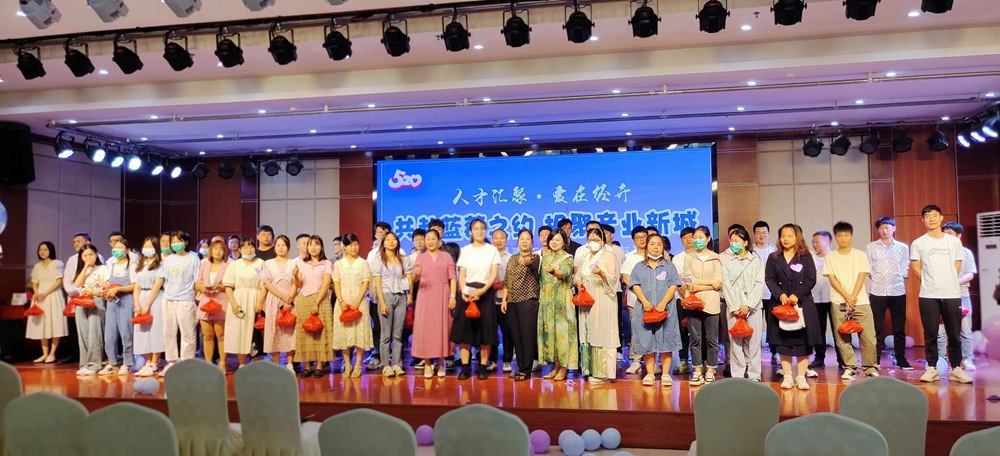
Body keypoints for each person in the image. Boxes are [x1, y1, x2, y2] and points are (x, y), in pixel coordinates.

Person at [911, 205, 972, 384]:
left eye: (935, 215)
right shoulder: (918, 243)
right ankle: (932, 368)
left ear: (941, 218)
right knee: (931, 333)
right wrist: (930, 281)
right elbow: (915, 267)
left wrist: (948, 280)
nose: (931, 219)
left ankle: (956, 368)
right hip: (928, 294)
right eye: (927, 216)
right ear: (922, 220)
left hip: (952, 293)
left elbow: (957, 264)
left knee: (954, 333)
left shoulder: (953, 242)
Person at [764, 224, 819, 390]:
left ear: (797, 237)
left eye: (790, 236)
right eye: (783, 236)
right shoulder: (774, 257)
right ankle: (787, 376)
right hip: (781, 304)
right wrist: (780, 294)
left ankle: (801, 377)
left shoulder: (805, 256)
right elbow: (769, 279)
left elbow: (811, 279)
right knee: (783, 342)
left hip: (802, 303)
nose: (786, 239)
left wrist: (797, 295)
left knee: (803, 343)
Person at [824, 222, 878, 380]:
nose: (843, 238)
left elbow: (862, 276)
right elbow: (832, 279)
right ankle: (849, 367)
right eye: (839, 235)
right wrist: (847, 297)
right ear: (835, 237)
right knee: (842, 337)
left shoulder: (860, 255)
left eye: (846, 235)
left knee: (868, 336)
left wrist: (852, 296)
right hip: (838, 301)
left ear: (851, 236)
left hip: (860, 301)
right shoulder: (830, 257)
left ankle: (870, 367)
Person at [628, 234, 682, 387]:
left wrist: (663, 303)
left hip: (666, 309)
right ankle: (650, 374)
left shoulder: (669, 266)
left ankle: (665, 374)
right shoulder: (639, 266)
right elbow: (635, 285)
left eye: (659, 244)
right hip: (645, 309)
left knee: (666, 341)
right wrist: (645, 302)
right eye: (652, 244)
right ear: (647, 246)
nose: (656, 247)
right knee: (647, 342)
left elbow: (673, 285)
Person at [450, 219, 501, 380]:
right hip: (466, 293)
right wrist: (464, 292)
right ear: (470, 232)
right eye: (476, 228)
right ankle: (465, 368)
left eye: (482, 228)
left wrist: (482, 291)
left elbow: (493, 274)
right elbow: (462, 274)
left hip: (485, 293)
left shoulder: (492, 250)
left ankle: (483, 367)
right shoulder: (465, 250)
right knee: (464, 332)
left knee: (486, 332)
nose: (480, 231)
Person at [575, 227, 621, 385]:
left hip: (603, 299)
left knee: (603, 332)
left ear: (602, 240)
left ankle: (604, 374)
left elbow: (614, 279)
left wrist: (601, 273)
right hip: (587, 299)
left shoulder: (609, 256)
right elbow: (577, 276)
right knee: (588, 332)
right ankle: (590, 370)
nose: (593, 243)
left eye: (596, 240)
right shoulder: (585, 256)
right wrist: (579, 283)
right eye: (590, 240)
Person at [866, 217, 912, 369]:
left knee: (899, 328)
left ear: (894, 228)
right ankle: (875, 359)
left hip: (897, 291)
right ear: (877, 230)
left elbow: (905, 265)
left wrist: (900, 275)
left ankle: (901, 359)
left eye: (887, 227)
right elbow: (868, 267)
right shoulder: (871, 247)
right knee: (876, 328)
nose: (884, 230)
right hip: (877, 291)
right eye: (881, 228)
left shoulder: (902, 247)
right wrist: (875, 278)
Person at [410, 229, 457, 378]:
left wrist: (453, 296)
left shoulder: (446, 256)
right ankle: (427, 363)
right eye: (427, 239)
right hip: (425, 296)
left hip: (443, 294)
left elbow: (453, 278)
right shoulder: (421, 258)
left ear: (439, 241)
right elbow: (413, 279)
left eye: (433, 238)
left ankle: (442, 363)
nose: (430, 241)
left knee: (442, 328)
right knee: (426, 330)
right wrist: (415, 274)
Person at [721, 226, 765, 381]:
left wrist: (748, 305)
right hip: (734, 308)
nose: (733, 244)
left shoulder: (755, 261)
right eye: (731, 241)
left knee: (754, 343)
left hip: (753, 308)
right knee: (735, 343)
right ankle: (738, 375)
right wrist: (735, 306)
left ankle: (754, 375)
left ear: (745, 242)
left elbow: (759, 284)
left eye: (737, 241)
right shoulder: (726, 261)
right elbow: (726, 285)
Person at [682, 226, 723, 386]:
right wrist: (708, 284)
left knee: (712, 339)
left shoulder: (716, 258)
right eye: (695, 238)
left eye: (701, 237)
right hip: (693, 302)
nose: (697, 240)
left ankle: (711, 370)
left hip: (711, 302)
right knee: (695, 339)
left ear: (708, 239)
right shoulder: (689, 258)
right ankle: (697, 370)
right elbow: (687, 280)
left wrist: (699, 286)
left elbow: (718, 283)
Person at [159, 231, 202, 376]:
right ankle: (171, 362)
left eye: (179, 241)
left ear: (186, 242)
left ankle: (187, 364)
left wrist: (196, 298)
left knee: (187, 333)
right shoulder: (169, 259)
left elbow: (197, 280)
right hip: (168, 299)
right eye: (174, 242)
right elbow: (164, 278)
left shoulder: (194, 258)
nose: (176, 244)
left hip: (186, 299)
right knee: (168, 332)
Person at [333, 233, 375, 378]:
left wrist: (357, 301)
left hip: (359, 301)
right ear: (344, 247)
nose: (354, 248)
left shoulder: (363, 263)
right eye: (351, 245)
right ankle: (347, 364)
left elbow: (365, 282)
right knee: (344, 335)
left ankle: (357, 365)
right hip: (343, 302)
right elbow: (336, 282)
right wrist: (341, 301)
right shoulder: (338, 264)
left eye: (356, 244)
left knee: (359, 334)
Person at [501, 229, 541, 381]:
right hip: (512, 301)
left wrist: (526, 261)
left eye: (527, 239)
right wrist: (504, 300)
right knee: (516, 336)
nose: (524, 241)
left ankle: (526, 369)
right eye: (521, 238)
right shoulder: (512, 258)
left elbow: (532, 264)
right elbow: (507, 280)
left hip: (528, 301)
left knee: (527, 336)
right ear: (517, 241)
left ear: (532, 242)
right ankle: (520, 367)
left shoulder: (535, 257)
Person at [371, 232, 412, 377]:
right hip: (386, 296)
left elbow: (408, 278)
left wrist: (410, 295)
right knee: (385, 334)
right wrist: (382, 302)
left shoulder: (403, 259)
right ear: (383, 243)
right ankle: (385, 365)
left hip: (401, 296)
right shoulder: (378, 260)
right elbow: (377, 283)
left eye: (394, 239)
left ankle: (396, 364)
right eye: (388, 239)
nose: (391, 242)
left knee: (398, 334)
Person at [538, 230, 577, 381]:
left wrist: (554, 271)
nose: (554, 242)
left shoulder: (567, 258)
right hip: (547, 301)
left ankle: (564, 368)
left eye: (558, 240)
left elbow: (564, 273)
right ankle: (556, 367)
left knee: (563, 335)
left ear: (564, 242)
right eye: (552, 239)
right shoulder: (546, 258)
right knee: (552, 336)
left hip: (562, 301)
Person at [294, 235, 334, 378]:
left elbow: (326, 285)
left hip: (320, 300)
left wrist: (316, 303)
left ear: (321, 247)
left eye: (316, 244)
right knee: (305, 333)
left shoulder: (326, 263)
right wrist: (295, 276)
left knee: (320, 333)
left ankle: (319, 366)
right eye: (310, 245)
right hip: (303, 300)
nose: (313, 247)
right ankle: (306, 366)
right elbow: (298, 285)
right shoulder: (300, 263)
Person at [223, 237, 265, 369]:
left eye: (251, 246)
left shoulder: (260, 263)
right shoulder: (234, 265)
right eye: (245, 247)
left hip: (255, 299)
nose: (249, 249)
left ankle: (256, 362)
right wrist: (233, 304)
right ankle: (242, 363)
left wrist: (260, 302)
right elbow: (228, 286)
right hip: (239, 300)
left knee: (254, 332)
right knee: (239, 331)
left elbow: (265, 285)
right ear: (240, 249)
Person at [941, 222, 977, 371]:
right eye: (944, 233)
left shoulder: (966, 253)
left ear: (959, 235)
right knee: (942, 331)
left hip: (962, 295)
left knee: (965, 330)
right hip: (942, 295)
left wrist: (954, 282)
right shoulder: (940, 253)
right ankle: (942, 360)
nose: (946, 237)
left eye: (950, 234)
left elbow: (970, 274)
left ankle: (967, 358)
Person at [98, 237, 137, 376]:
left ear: (127, 250)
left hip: (126, 301)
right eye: (115, 248)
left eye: (120, 248)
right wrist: (105, 289)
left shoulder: (132, 265)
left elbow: (135, 285)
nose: (117, 250)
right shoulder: (111, 265)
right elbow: (106, 282)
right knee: (109, 334)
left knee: (126, 333)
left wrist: (119, 289)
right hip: (112, 302)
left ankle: (127, 363)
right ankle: (112, 362)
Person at [261, 235, 298, 370]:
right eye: (278, 245)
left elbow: (295, 283)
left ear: (288, 247)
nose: (281, 248)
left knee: (290, 331)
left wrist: (289, 298)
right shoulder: (267, 263)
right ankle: (276, 364)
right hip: (273, 300)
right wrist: (282, 296)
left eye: (284, 245)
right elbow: (267, 283)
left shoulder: (294, 263)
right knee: (274, 331)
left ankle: (290, 363)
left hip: (290, 300)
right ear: (274, 247)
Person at [28, 241, 68, 363]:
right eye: (40, 249)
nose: (43, 252)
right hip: (40, 298)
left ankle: (52, 354)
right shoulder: (37, 266)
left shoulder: (58, 263)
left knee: (55, 323)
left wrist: (45, 293)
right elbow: (34, 282)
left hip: (53, 296)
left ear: (51, 250)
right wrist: (36, 292)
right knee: (42, 325)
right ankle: (44, 354)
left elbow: (59, 281)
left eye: (45, 249)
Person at [71, 244, 107, 376]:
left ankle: (94, 364)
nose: (89, 257)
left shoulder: (104, 268)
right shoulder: (83, 270)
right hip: (82, 302)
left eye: (91, 254)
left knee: (94, 334)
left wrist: (95, 291)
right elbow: (77, 284)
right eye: (85, 255)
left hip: (97, 301)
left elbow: (106, 287)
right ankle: (84, 364)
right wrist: (85, 267)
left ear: (96, 254)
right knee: (83, 334)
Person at [133, 237, 166, 377]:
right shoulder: (140, 265)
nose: (147, 249)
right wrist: (137, 304)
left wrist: (147, 304)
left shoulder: (161, 264)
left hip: (155, 299)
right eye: (145, 246)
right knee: (143, 331)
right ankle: (147, 362)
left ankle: (155, 363)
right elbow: (136, 286)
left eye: (150, 246)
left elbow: (157, 286)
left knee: (155, 330)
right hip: (141, 297)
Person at [195, 239, 229, 371]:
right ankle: (208, 364)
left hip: (221, 302)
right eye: (215, 248)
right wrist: (203, 288)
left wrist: (220, 287)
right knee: (207, 335)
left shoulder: (229, 265)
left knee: (221, 335)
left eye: (221, 249)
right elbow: (198, 282)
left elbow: (232, 284)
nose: (218, 251)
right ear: (210, 251)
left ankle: (223, 363)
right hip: (206, 301)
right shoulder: (204, 263)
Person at [365, 221, 392, 371]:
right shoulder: (372, 253)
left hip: (392, 295)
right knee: (377, 327)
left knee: (391, 327)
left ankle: (392, 356)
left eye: (383, 232)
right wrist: (370, 292)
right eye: (378, 232)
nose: (380, 235)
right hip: (375, 295)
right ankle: (377, 355)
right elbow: (369, 274)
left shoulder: (399, 251)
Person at [622, 226, 649, 375]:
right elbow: (626, 278)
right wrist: (640, 293)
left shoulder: (655, 254)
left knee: (653, 331)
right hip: (635, 300)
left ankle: (651, 362)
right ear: (633, 240)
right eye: (639, 238)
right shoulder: (629, 257)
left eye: (644, 237)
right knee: (637, 330)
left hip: (655, 300)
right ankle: (636, 361)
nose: (642, 240)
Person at [809, 231, 837, 373]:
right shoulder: (811, 258)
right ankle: (819, 357)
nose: (814, 244)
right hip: (815, 299)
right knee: (818, 330)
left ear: (828, 242)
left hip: (834, 298)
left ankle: (842, 359)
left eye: (818, 241)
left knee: (837, 330)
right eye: (813, 242)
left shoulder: (835, 257)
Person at [753, 221, 780, 365]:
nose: (761, 235)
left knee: (773, 326)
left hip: (772, 293)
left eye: (764, 232)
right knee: (755, 326)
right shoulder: (750, 251)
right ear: (754, 235)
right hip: (755, 294)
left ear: (768, 233)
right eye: (758, 233)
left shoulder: (775, 251)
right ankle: (754, 355)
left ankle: (775, 352)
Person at [671, 227, 696, 375]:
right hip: (680, 299)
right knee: (682, 330)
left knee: (697, 331)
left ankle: (700, 361)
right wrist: (682, 290)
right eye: (684, 238)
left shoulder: (700, 256)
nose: (688, 240)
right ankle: (683, 360)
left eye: (690, 237)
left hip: (698, 298)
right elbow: (676, 276)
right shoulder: (677, 258)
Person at [490, 229, 514, 372]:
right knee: (490, 332)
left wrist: (504, 286)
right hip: (490, 301)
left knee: (507, 332)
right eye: (496, 238)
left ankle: (507, 360)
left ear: (506, 239)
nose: (499, 240)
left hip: (506, 301)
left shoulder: (511, 258)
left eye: (502, 238)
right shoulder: (487, 256)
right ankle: (492, 360)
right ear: (492, 239)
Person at [407, 228, 427, 368]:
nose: (419, 242)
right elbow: (408, 278)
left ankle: (427, 356)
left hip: (429, 293)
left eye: (421, 239)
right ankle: (417, 355)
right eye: (416, 239)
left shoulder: (431, 255)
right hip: (415, 294)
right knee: (417, 326)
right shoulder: (410, 258)